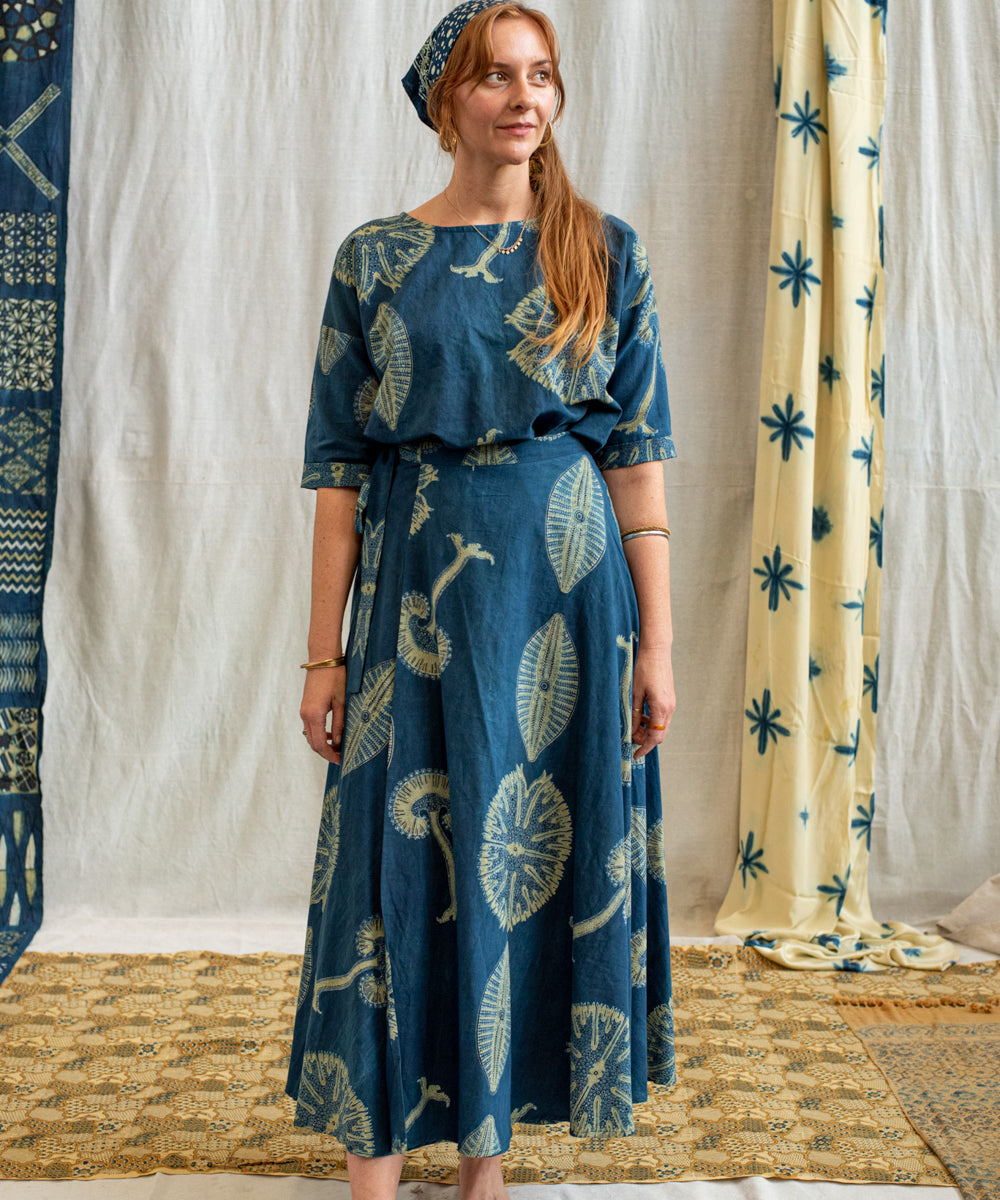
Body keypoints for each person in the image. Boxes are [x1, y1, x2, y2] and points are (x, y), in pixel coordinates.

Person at [285, 3, 676, 1197]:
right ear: (443, 101)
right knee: (389, 857)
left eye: (540, 75)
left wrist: (658, 645)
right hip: (415, 589)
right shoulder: (373, 259)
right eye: (495, 77)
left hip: (567, 590)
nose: (522, 98)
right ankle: (373, 1163)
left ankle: (485, 1166)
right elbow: (339, 475)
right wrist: (321, 656)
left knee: (519, 857)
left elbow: (637, 462)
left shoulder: (602, 250)